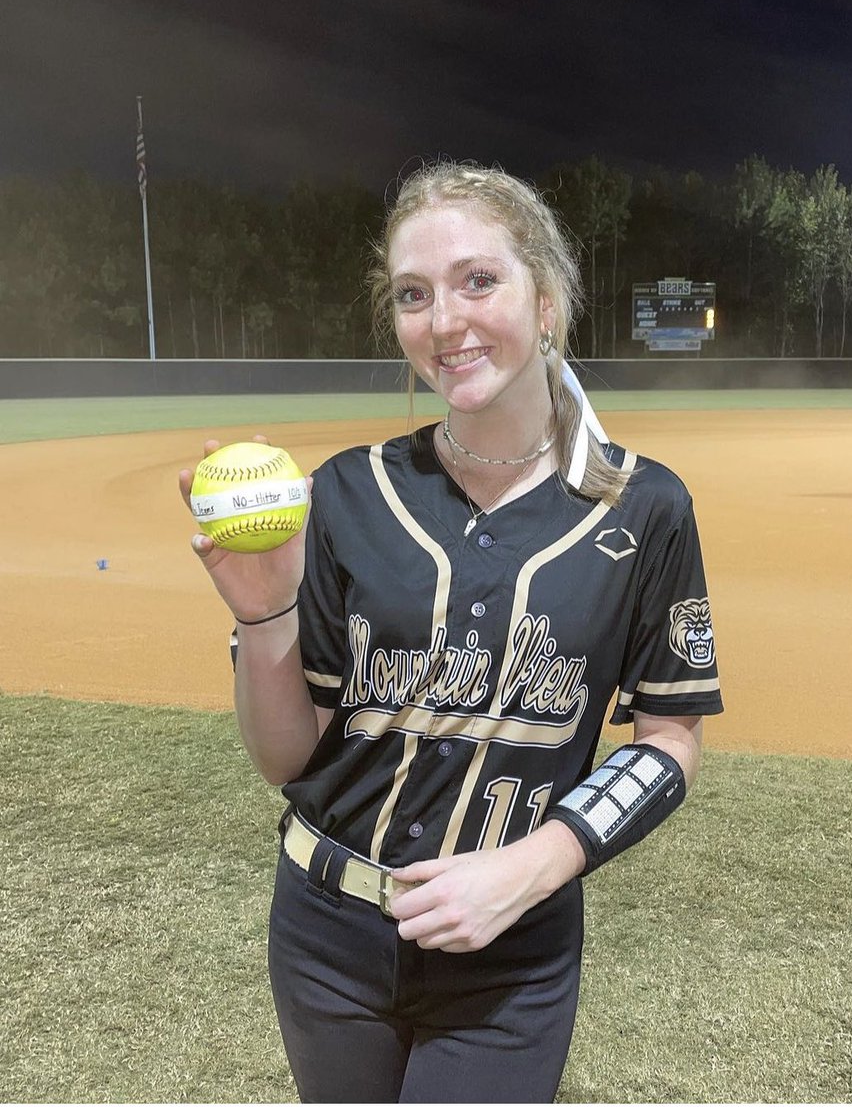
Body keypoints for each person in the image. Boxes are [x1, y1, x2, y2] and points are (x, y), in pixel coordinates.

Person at [178, 161, 724, 1103]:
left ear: (547, 299)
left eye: (480, 281)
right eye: (414, 295)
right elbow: (287, 759)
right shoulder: (349, 492)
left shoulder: (648, 507)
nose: (445, 322)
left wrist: (535, 864)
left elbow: (670, 742)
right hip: (324, 933)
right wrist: (262, 613)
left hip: (512, 953)